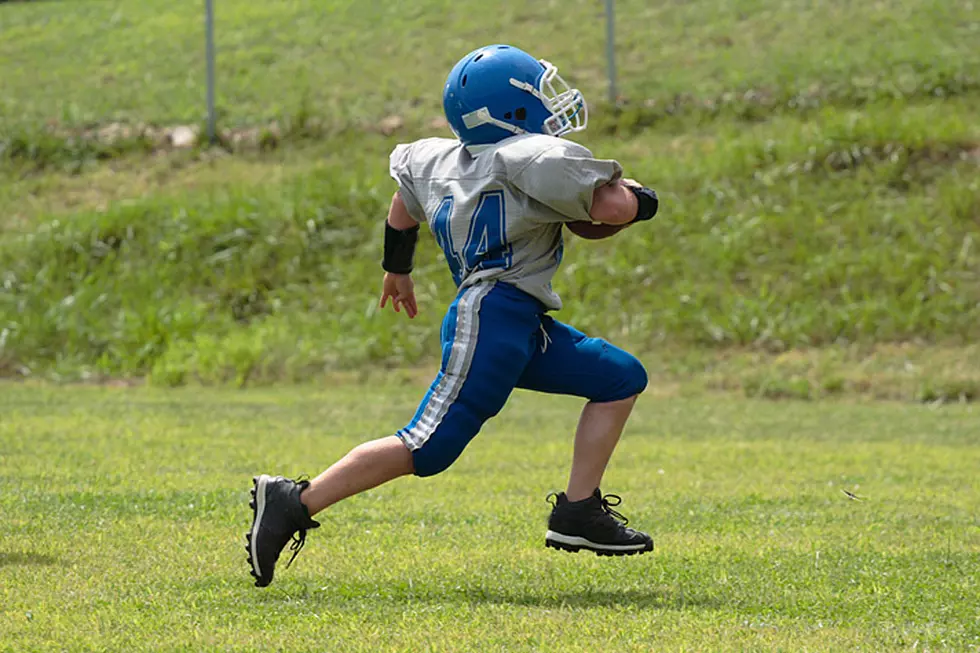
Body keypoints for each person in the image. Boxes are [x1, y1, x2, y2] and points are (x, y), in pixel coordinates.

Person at [245, 44, 660, 588]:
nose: (551, 106)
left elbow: (402, 206)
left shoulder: (440, 158)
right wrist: (639, 196)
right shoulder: (533, 157)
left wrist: (398, 268)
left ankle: (578, 512)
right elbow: (613, 208)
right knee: (428, 446)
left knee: (619, 377)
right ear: (511, 111)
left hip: (518, 321)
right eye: (539, 94)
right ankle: (292, 500)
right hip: (491, 316)